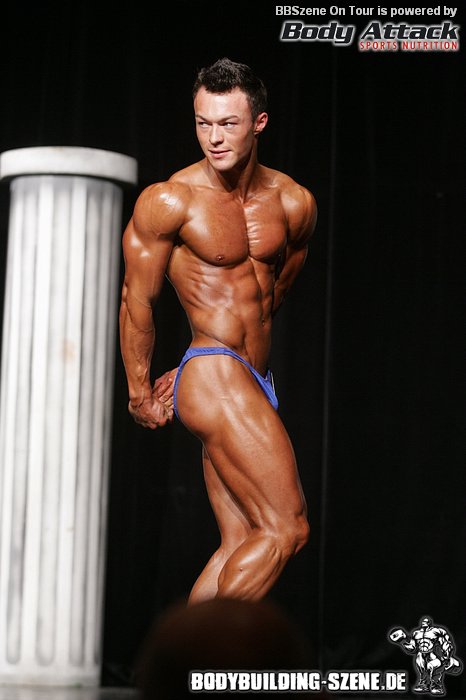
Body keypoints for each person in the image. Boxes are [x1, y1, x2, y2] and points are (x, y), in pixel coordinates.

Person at [119, 57, 317, 603]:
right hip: (215, 369)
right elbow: (137, 299)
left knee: (241, 541)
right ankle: (214, 647)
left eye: (228, 123)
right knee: (287, 528)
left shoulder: (294, 202)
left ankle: (181, 655)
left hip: (251, 376)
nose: (214, 137)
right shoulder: (170, 200)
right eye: (203, 123)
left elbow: (274, 291)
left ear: (259, 122)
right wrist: (140, 390)